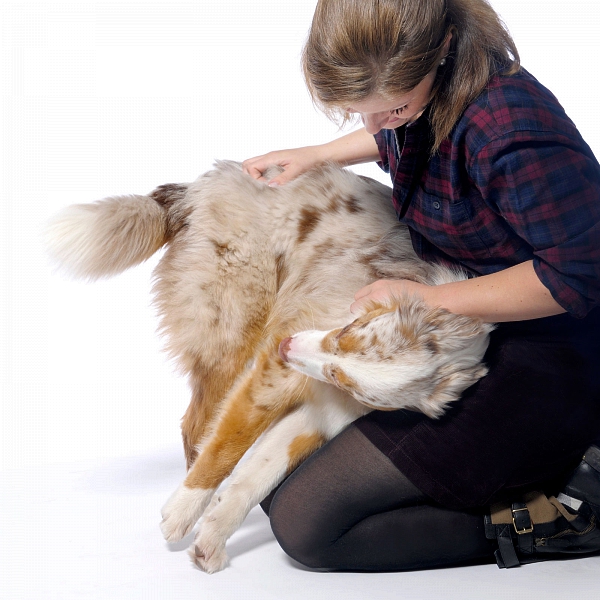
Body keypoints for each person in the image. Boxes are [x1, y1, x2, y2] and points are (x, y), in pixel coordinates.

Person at [242, 0, 600, 571]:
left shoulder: (512, 129)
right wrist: (318, 155)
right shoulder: (425, 96)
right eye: (360, 112)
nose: (374, 126)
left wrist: (426, 300)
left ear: (440, 52)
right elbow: (403, 134)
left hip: (554, 351)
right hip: (469, 318)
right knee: (266, 470)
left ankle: (563, 520)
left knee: (307, 524)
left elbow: (578, 275)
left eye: (392, 108)